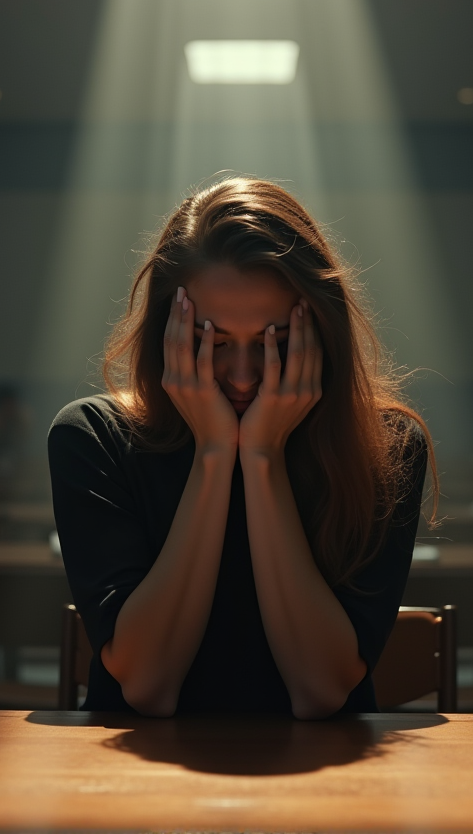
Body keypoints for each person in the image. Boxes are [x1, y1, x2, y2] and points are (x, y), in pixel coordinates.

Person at [48, 178, 438, 719]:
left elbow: (321, 690)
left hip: (329, 787)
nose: (242, 376)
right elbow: (147, 685)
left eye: (275, 343)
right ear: (169, 334)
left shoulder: (388, 448)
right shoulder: (93, 435)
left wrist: (261, 458)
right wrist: (213, 453)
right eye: (213, 341)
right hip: (135, 789)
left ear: (320, 334)